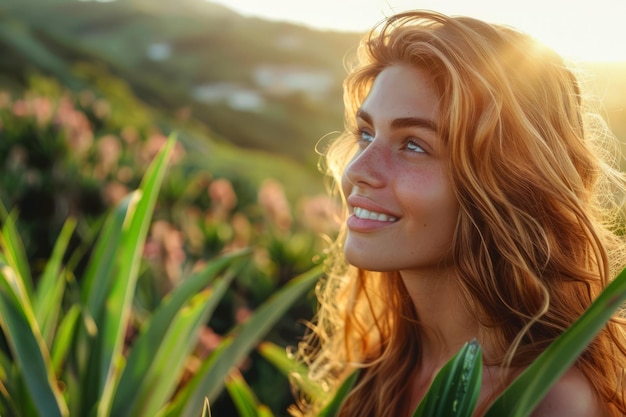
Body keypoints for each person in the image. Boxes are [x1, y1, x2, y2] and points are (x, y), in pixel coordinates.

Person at [290, 10, 626, 417]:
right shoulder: (379, 367)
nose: (357, 170)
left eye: (413, 144)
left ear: (505, 184)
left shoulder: (546, 400)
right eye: (366, 134)